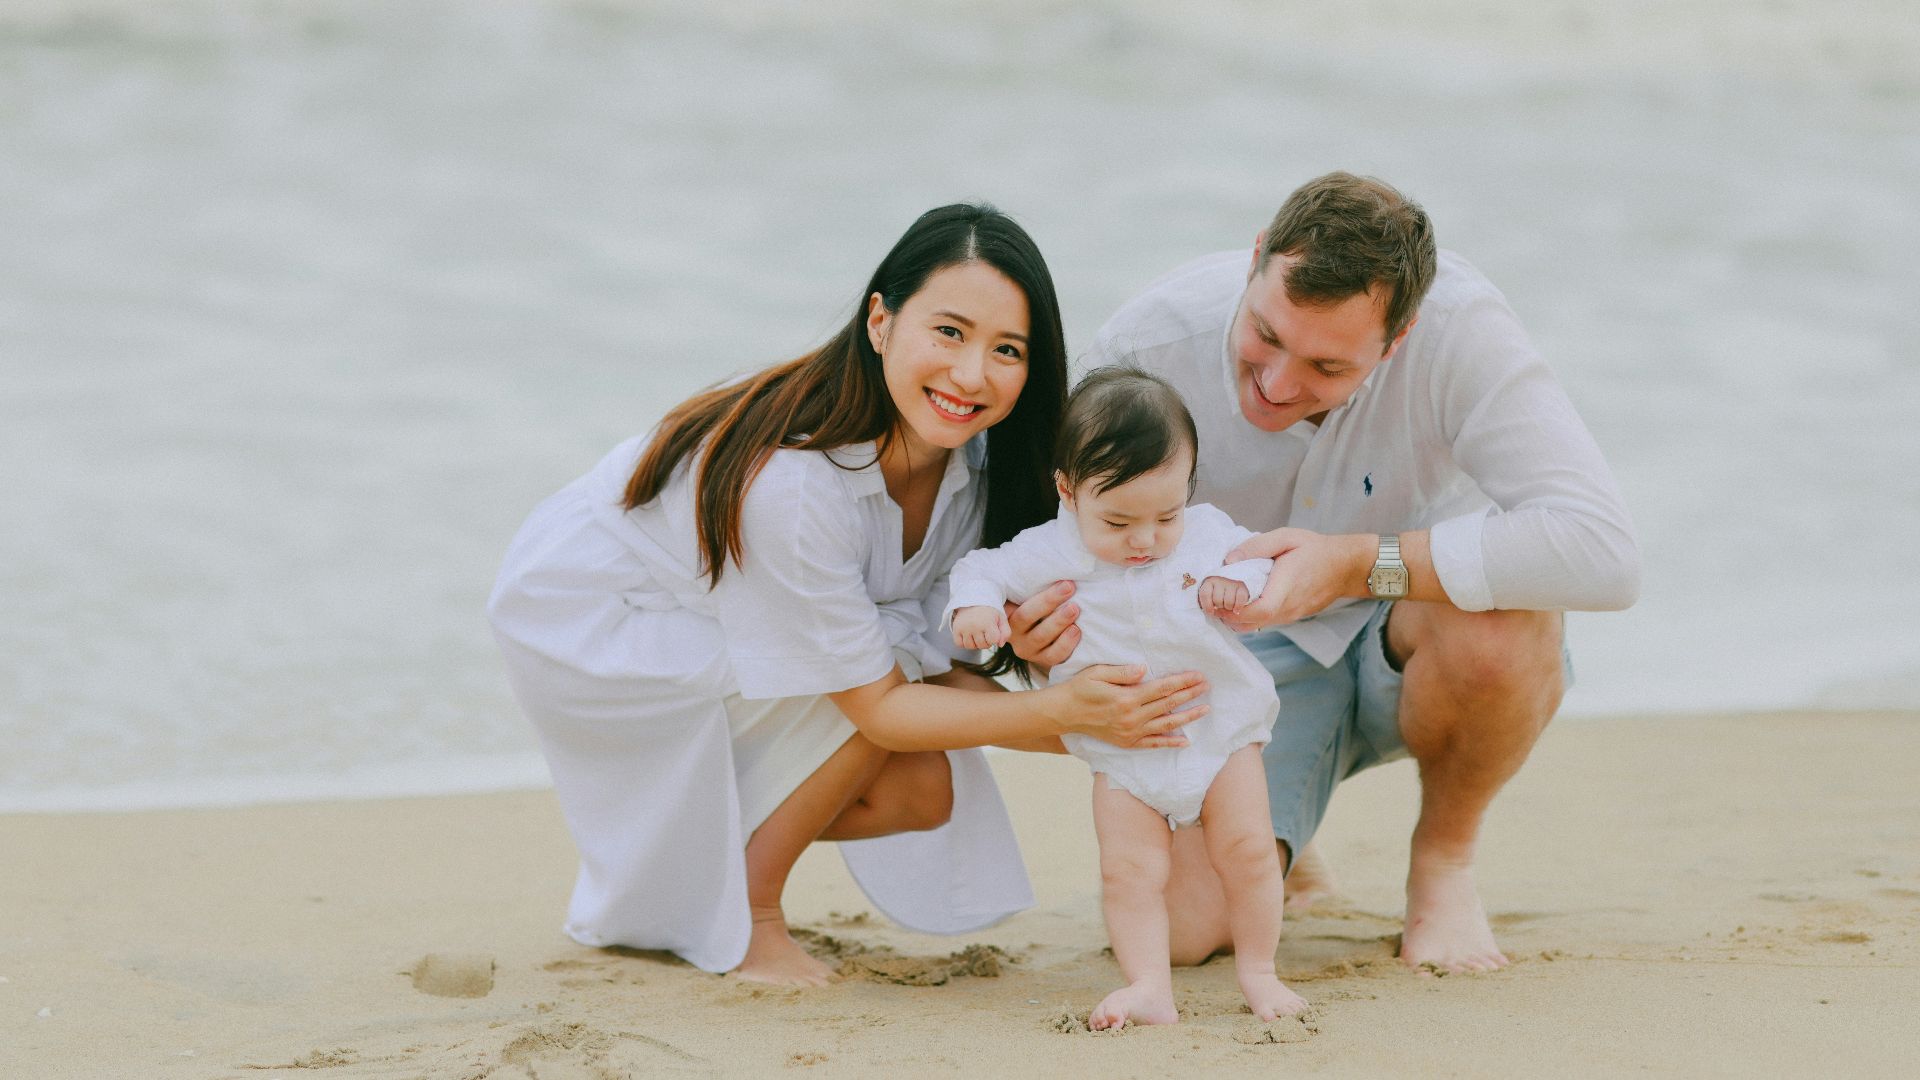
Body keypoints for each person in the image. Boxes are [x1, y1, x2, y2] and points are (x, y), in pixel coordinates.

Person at [488, 204, 1211, 987]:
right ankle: (751, 916)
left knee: (921, 792)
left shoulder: (973, 465)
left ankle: (693, 869)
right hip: (603, 612)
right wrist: (1067, 713)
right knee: (889, 692)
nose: (972, 374)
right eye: (948, 332)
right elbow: (882, 703)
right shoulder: (796, 484)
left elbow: (961, 662)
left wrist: (1137, 721)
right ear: (880, 321)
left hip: (705, 604)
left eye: (1007, 349)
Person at [1006, 172, 1641, 974]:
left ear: (1399, 336)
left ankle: (1443, 866)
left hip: (1414, 631)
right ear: (1257, 259)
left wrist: (1353, 565)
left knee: (1507, 620)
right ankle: (1286, 833)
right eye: (1265, 336)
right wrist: (1040, 635)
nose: (1276, 385)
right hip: (1237, 660)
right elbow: (1060, 537)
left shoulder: (1463, 334)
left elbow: (1605, 553)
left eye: (1328, 368)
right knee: (1178, 933)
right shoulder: (1151, 344)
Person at [945, 368, 1307, 1026]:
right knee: (1128, 870)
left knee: (1249, 849)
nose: (1144, 540)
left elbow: (1254, 558)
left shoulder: (1203, 533)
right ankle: (1149, 987)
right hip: (1123, 748)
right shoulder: (1050, 549)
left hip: (1217, 728)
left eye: (1163, 515)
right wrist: (975, 607)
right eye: (1117, 521)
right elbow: (981, 568)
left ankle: (1260, 970)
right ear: (1068, 491)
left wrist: (1238, 583)